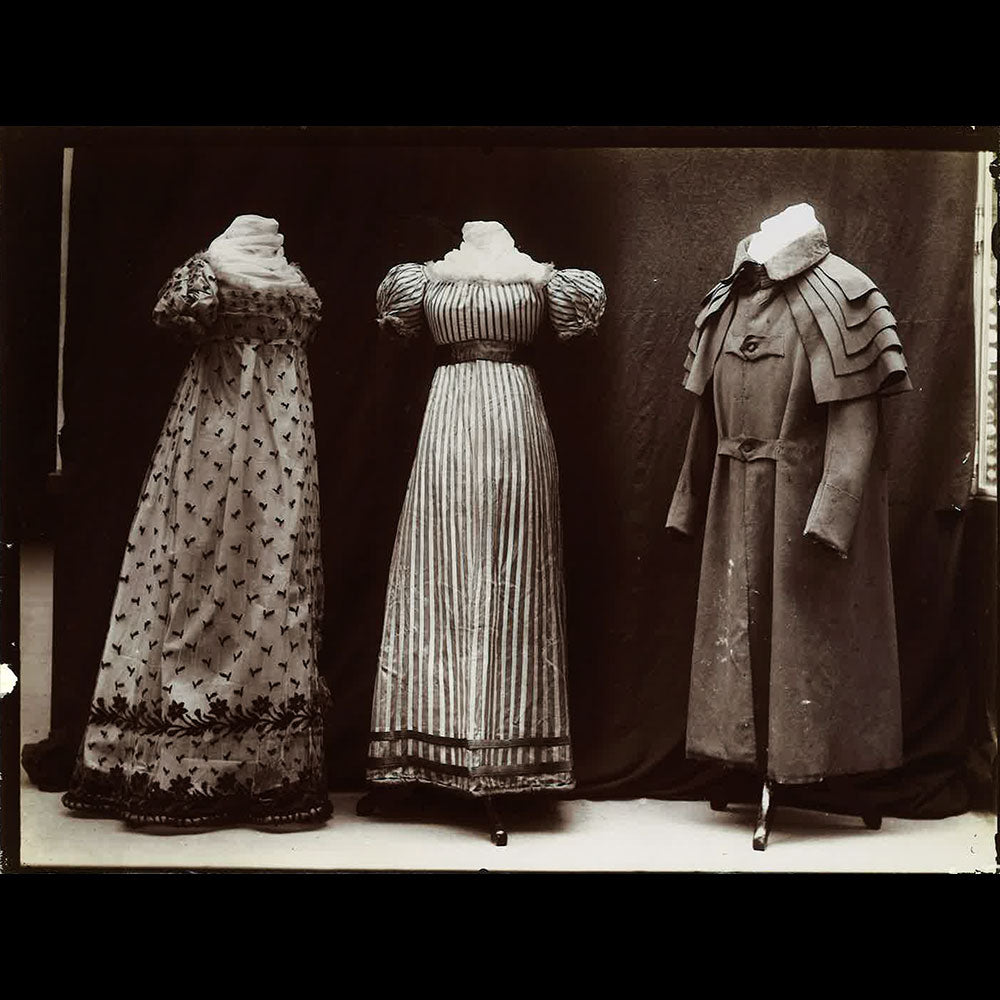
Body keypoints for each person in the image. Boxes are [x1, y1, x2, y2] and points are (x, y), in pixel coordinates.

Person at [62, 215, 331, 828]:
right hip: (220, 429)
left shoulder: (285, 276)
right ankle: (191, 756)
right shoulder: (211, 273)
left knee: (268, 580)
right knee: (201, 573)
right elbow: (175, 315)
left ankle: (259, 767)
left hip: (276, 443)